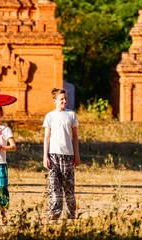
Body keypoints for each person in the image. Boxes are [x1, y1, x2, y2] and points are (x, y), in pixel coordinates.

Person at [43, 87, 81, 220]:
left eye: (65, 98)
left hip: (68, 155)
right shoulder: (50, 116)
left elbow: (75, 136)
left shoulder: (71, 115)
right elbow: (46, 137)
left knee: (68, 186)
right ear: (55, 100)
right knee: (54, 185)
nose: (64, 101)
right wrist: (45, 156)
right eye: (61, 99)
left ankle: (71, 213)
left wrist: (77, 155)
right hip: (53, 155)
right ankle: (54, 213)